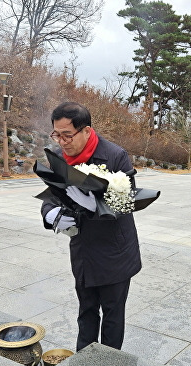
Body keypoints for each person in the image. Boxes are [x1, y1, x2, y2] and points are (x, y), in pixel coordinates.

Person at [40, 101, 141, 352]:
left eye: (67, 135)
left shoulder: (114, 155)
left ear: (86, 130)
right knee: (86, 311)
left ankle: (109, 365)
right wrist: (50, 213)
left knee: (113, 315)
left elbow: (129, 199)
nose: (62, 142)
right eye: (57, 135)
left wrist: (97, 204)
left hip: (114, 251)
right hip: (83, 249)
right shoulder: (59, 157)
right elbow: (52, 193)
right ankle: (83, 359)